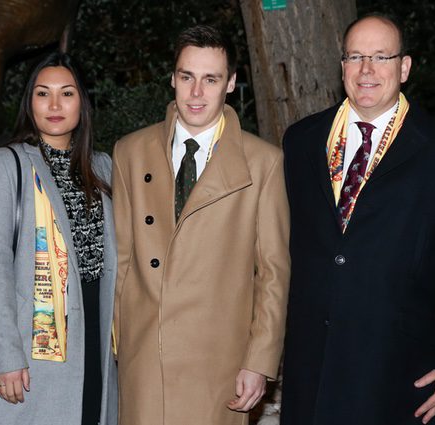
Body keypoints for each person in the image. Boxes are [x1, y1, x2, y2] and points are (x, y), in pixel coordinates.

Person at [279, 13, 435, 425]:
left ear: (404, 67)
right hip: (313, 362)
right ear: (341, 65)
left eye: (381, 56)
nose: (367, 70)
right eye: (355, 56)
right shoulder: (301, 140)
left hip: (396, 366)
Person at [112, 24, 290, 425]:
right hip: (145, 358)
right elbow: (121, 258)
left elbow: (274, 272)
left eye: (210, 79)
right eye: (187, 77)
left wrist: (259, 362)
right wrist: (121, 339)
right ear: (173, 78)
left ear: (230, 84)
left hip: (219, 363)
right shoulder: (130, 152)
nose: (196, 93)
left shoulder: (263, 163)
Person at [0, 51, 117, 425]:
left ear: (82, 103)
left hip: (97, 336)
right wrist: (5, 354)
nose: (54, 104)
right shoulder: (4, 164)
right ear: (29, 102)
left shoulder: (103, 167)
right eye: (43, 93)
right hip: (34, 345)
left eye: (67, 93)